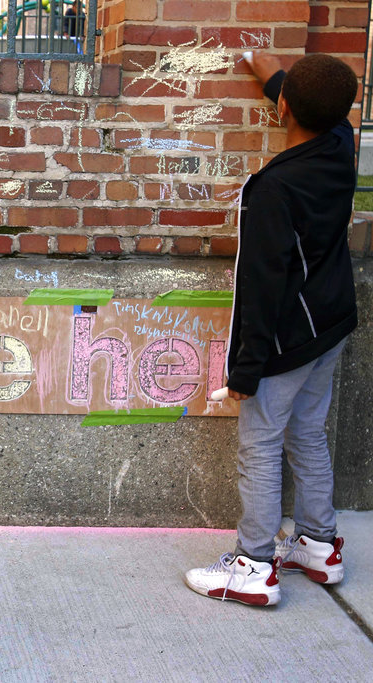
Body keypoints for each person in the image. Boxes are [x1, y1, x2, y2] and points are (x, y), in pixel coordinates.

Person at [184, 52, 358, 606]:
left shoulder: (273, 189)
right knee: (307, 432)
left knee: (259, 444)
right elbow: (310, 101)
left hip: (285, 340)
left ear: (283, 108)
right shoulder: (341, 145)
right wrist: (267, 69)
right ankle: (319, 543)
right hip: (330, 324)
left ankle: (254, 564)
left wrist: (246, 371)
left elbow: (261, 288)